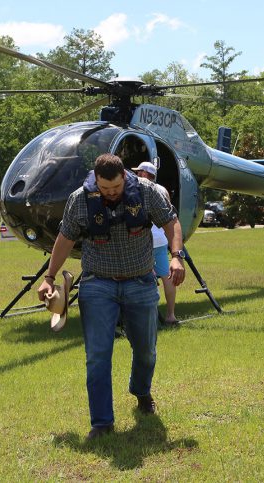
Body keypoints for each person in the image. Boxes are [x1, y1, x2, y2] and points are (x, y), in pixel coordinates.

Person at [37, 154, 185, 442]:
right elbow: (65, 238)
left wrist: (176, 256)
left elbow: (171, 222)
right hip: (97, 284)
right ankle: (102, 422)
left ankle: (141, 391)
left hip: (140, 282)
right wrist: (49, 277)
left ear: (125, 176)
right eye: (105, 188)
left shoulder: (147, 192)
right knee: (97, 355)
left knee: (146, 350)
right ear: (96, 180)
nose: (111, 193)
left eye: (116, 187)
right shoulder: (80, 199)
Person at [132, 161, 179, 326]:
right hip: (161, 240)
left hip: (145, 241)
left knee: (144, 278)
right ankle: (171, 315)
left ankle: (148, 318)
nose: (136, 175)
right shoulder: (163, 190)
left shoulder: (139, 189)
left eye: (138, 172)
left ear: (144, 174)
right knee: (166, 277)